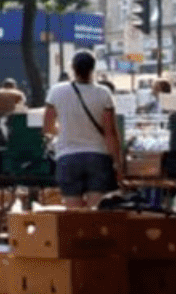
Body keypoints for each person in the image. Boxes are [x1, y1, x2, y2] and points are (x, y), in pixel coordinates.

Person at [43, 51, 123, 208]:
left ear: (72, 68)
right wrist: (118, 164)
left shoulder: (57, 92)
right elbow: (110, 133)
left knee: (75, 214)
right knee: (96, 212)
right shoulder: (104, 93)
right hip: (98, 158)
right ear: (93, 69)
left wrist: (63, 131)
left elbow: (47, 128)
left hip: (68, 158)